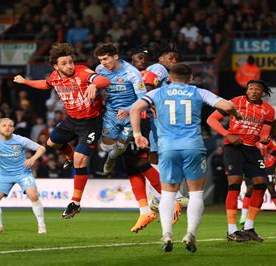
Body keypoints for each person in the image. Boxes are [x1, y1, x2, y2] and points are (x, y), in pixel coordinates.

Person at [130, 63, 241, 253]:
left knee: (168, 193)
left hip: (167, 148)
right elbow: (228, 105)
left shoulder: (157, 93)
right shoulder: (198, 92)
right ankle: (190, 234)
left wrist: (137, 134)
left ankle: (166, 234)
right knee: (196, 193)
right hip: (193, 147)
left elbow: (135, 108)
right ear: (190, 78)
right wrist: (235, 114)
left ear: (170, 78)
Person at [13, 43, 111, 219]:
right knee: (52, 142)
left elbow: (104, 80)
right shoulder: (55, 77)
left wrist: (94, 85)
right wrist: (25, 81)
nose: (69, 66)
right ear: (56, 66)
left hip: (91, 122)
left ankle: (75, 202)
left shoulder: (82, 72)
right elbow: (45, 84)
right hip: (72, 120)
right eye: (64, 63)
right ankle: (70, 157)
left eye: (70, 62)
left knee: (80, 160)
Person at [207, 79, 274, 242]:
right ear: (247, 90)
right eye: (251, 88)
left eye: (257, 89)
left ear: (263, 93)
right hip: (233, 148)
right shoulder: (235, 102)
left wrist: (265, 139)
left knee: (261, 184)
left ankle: (249, 227)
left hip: (252, 149)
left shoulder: (268, 110)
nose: (253, 91)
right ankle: (232, 229)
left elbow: (265, 133)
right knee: (235, 183)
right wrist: (227, 134)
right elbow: (211, 120)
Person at [0, 118, 47, 234]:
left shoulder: (20, 140)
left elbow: (41, 148)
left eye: (10, 125)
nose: (7, 127)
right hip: (4, 175)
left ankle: (41, 226)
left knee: (33, 196)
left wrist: (32, 159)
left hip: (23, 173)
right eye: (4, 125)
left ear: (13, 128)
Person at [93, 43, 146, 174]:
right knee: (106, 147)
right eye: (100, 60)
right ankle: (110, 153)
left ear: (115, 56)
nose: (103, 63)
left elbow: (143, 98)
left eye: (105, 59)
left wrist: (128, 109)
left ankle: (111, 158)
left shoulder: (132, 73)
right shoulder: (99, 70)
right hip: (111, 112)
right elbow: (95, 83)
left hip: (130, 114)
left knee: (121, 147)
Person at [240, 137, 276, 226]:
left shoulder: (269, 140)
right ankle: (243, 215)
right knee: (249, 188)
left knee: (271, 189)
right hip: (252, 165)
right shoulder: (248, 138)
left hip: (268, 165)